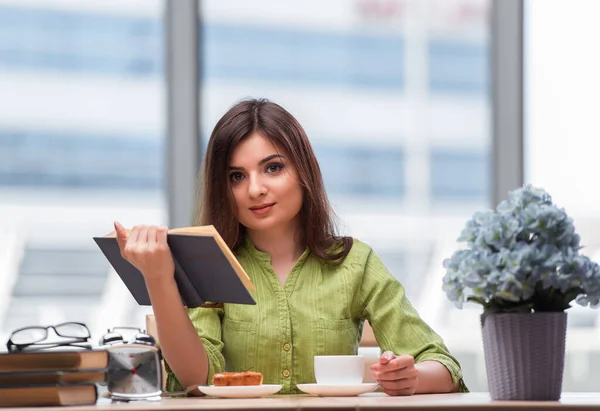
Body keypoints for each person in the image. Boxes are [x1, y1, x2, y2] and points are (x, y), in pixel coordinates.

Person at [113, 98, 467, 396]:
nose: (255, 189)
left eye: (273, 168)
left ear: (304, 172)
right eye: (237, 176)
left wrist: (411, 377)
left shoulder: (355, 263)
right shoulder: (209, 263)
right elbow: (196, 379)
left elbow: (442, 364)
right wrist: (160, 280)